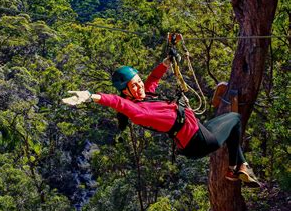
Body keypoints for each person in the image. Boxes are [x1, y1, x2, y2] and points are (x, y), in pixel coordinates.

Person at [62, 57, 261, 187]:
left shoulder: (143, 96)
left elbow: (154, 78)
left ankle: (240, 166)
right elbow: (117, 103)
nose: (140, 86)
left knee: (222, 125)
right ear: (125, 91)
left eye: (139, 82)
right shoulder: (137, 110)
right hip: (198, 140)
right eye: (135, 85)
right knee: (234, 119)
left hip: (193, 136)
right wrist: (90, 96)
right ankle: (234, 168)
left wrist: (167, 61)